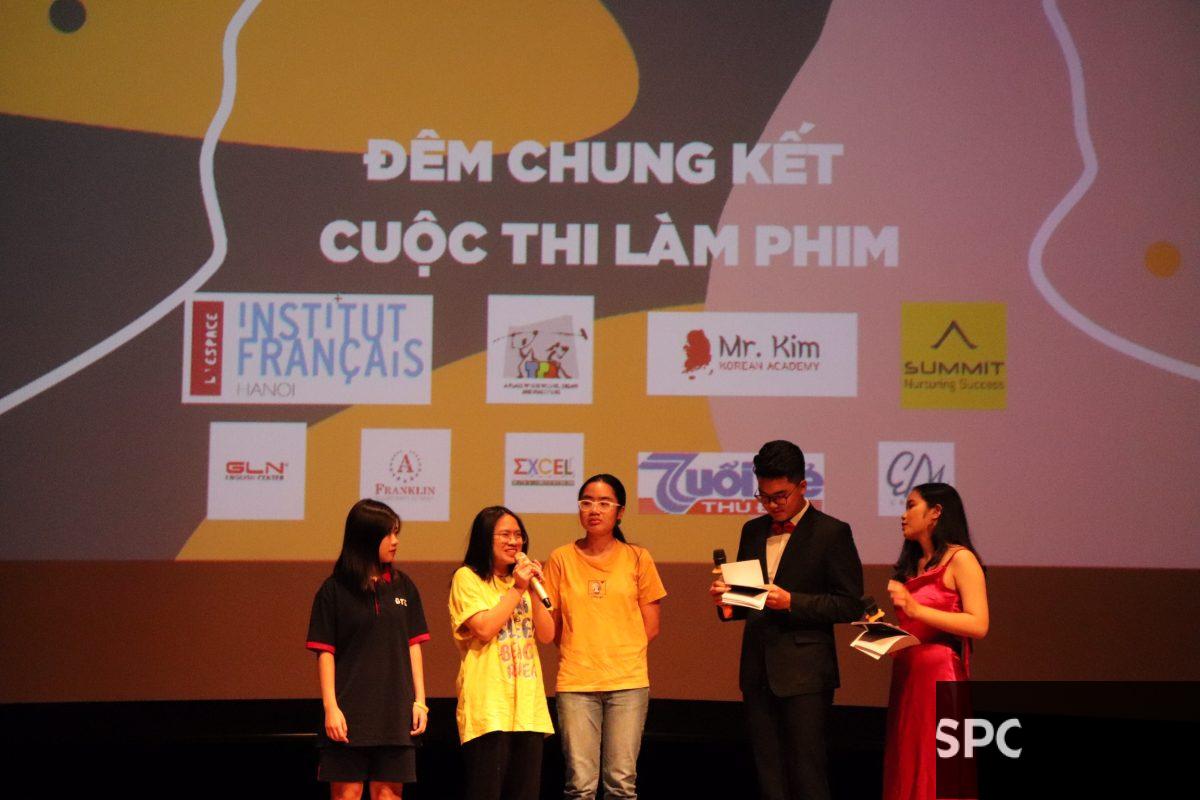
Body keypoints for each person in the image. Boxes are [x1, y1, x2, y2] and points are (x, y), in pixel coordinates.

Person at [709, 440, 864, 800]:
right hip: (757, 669)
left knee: (807, 774)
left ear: (803, 486)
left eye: (780, 496)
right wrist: (727, 602)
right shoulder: (752, 530)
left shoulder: (832, 532)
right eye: (764, 497)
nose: (772, 505)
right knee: (769, 776)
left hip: (806, 672)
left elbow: (850, 604)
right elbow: (750, 599)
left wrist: (792, 602)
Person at [542, 474, 667, 800]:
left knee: (621, 784)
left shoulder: (638, 558)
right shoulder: (560, 558)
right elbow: (552, 625)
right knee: (580, 786)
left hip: (627, 683)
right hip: (576, 683)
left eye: (603, 503)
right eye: (586, 502)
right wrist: (581, 648)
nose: (594, 509)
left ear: (620, 511)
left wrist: (618, 652)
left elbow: (651, 626)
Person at [306, 499, 429, 800]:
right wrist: (331, 708)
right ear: (365, 538)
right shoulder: (334, 590)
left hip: (395, 714)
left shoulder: (404, 586)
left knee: (388, 795)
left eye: (396, 533)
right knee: (347, 794)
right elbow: (325, 653)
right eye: (388, 534)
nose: (395, 541)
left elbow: (413, 646)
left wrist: (420, 702)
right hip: (349, 714)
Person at [882, 483, 989, 800]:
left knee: (937, 767)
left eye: (911, 506)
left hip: (940, 677)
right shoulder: (914, 565)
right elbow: (919, 627)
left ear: (936, 513)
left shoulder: (961, 559)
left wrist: (917, 610)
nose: (903, 515)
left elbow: (979, 624)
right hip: (909, 677)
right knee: (907, 764)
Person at [448, 506, 555, 800]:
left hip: (528, 707)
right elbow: (484, 628)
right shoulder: (467, 578)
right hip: (489, 707)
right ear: (485, 538)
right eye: (505, 534)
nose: (514, 541)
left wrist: (533, 589)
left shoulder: (523, 584)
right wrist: (517, 589)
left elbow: (547, 635)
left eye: (518, 535)